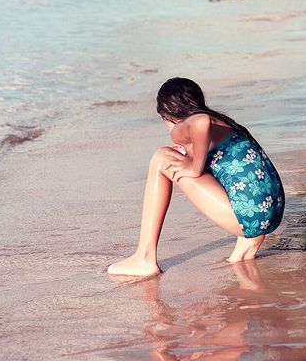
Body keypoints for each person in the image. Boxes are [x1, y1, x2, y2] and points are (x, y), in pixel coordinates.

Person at [108, 77, 285, 276]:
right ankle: (247, 241)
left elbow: (201, 122)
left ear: (167, 114)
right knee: (197, 164)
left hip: (250, 217)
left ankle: (145, 258)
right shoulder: (225, 123)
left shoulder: (185, 125)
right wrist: (193, 159)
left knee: (161, 159)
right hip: (271, 211)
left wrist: (195, 168)